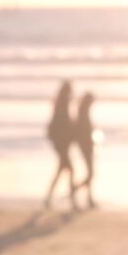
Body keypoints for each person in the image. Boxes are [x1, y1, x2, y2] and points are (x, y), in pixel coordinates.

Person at [44, 80, 76, 210]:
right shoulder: (62, 104)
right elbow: (62, 124)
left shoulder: (62, 103)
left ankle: (49, 197)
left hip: (62, 143)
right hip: (62, 143)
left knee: (62, 170)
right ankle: (72, 199)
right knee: (69, 169)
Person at [73, 92, 97, 209]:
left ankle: (88, 197)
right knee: (91, 173)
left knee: (91, 173)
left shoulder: (83, 112)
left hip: (87, 146)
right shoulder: (83, 113)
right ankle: (76, 189)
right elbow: (83, 133)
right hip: (86, 147)